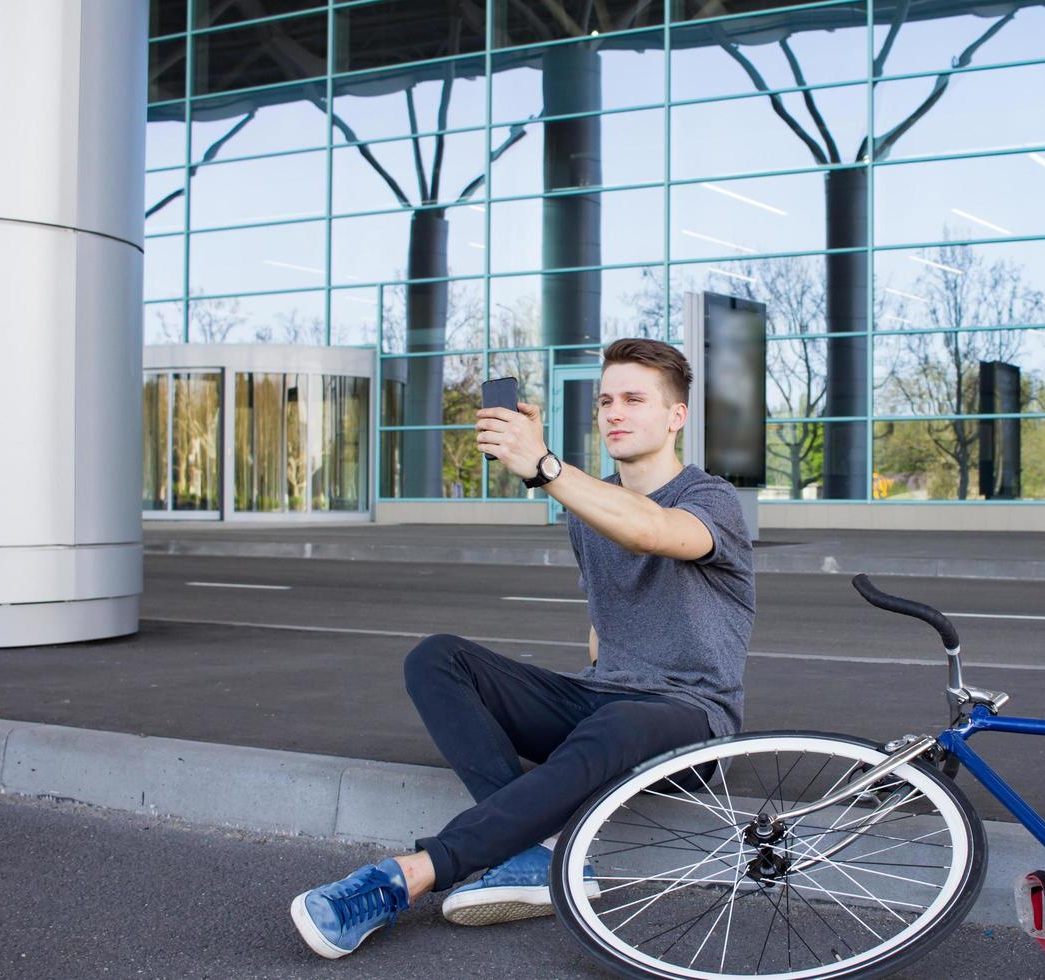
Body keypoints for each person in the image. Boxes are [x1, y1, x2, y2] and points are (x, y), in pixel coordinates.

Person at [290, 338, 756, 959]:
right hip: (605, 698)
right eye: (606, 400)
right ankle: (530, 854)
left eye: (635, 400)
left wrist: (549, 467)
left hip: (690, 720)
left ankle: (409, 875)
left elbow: (651, 531)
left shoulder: (712, 499)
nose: (615, 412)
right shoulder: (584, 509)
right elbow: (604, 615)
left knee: (618, 722)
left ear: (676, 416)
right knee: (437, 657)